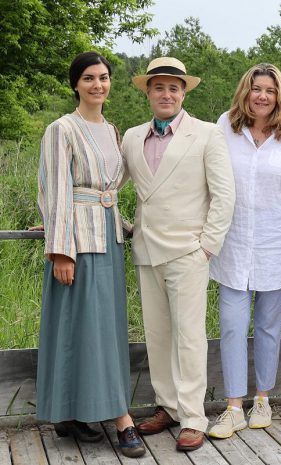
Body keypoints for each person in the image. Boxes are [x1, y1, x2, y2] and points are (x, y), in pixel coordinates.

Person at [121, 57, 235, 451]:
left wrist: (207, 246)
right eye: (158, 87)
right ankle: (168, 407)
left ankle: (193, 416)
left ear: (184, 92)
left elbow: (224, 195)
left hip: (189, 250)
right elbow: (106, 185)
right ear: (148, 93)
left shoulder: (206, 134)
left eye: (174, 87)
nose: (166, 94)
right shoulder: (132, 137)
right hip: (147, 248)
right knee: (158, 334)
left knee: (189, 337)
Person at [36, 51, 145, 458]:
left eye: (104, 77)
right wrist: (61, 250)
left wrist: (129, 226)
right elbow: (56, 189)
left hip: (109, 237)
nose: (98, 85)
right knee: (78, 326)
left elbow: (109, 192)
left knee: (104, 328)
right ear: (75, 84)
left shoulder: (113, 131)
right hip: (77, 244)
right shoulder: (62, 129)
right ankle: (122, 419)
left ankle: (73, 414)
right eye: (89, 78)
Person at [207, 63, 281, 438]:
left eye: (269, 89)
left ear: (278, 94)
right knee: (232, 325)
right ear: (245, 92)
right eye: (256, 89)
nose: (262, 96)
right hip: (232, 243)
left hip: (278, 243)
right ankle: (234, 406)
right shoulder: (224, 127)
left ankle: (262, 398)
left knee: (268, 326)